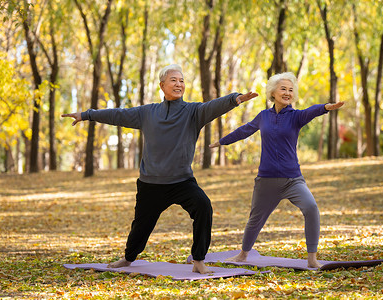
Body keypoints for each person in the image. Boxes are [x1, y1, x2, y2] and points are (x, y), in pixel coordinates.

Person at [62, 64, 258, 274]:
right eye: (173, 80)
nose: (178, 84)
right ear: (162, 85)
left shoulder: (193, 112)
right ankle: (128, 258)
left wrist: (235, 99)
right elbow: (118, 115)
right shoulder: (148, 113)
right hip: (150, 184)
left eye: (181, 80)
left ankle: (198, 260)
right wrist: (86, 114)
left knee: (203, 207)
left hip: (182, 182)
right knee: (140, 226)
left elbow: (212, 107)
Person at [210, 72, 344, 268]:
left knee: (311, 208)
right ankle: (242, 255)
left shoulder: (296, 117)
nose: (287, 93)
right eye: (283, 89)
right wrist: (221, 142)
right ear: (272, 92)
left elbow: (311, 111)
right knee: (255, 219)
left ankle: (312, 258)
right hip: (266, 180)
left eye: (291, 90)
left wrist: (325, 108)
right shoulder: (263, 116)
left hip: (293, 179)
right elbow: (244, 130)